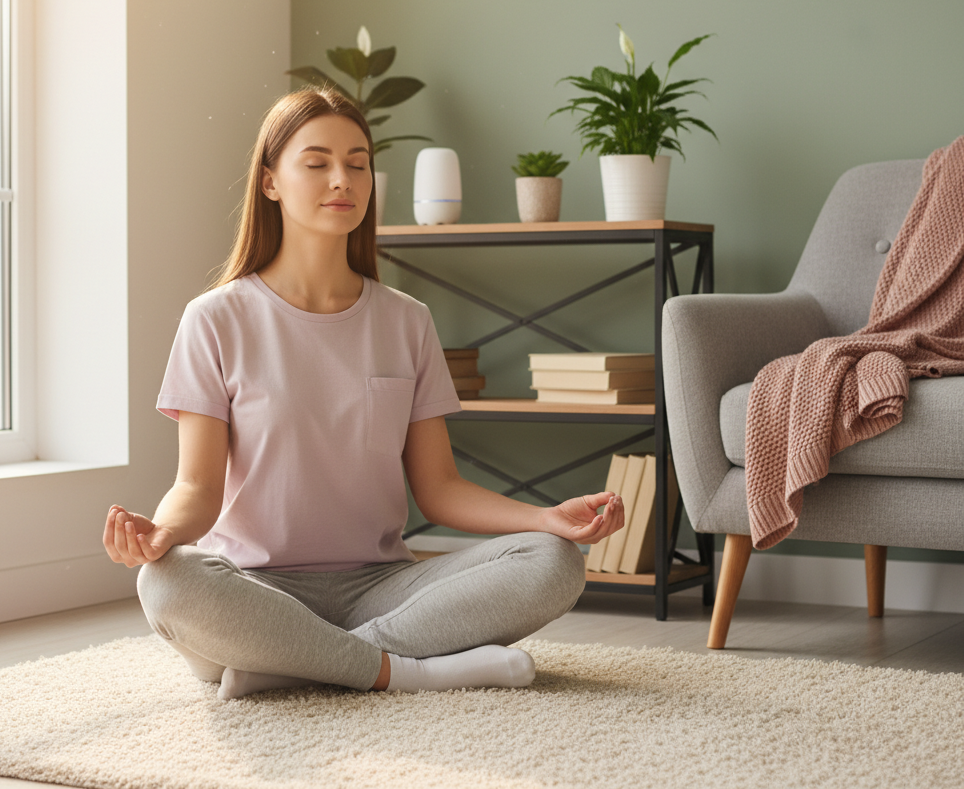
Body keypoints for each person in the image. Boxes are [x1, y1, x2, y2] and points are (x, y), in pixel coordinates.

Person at [103, 86, 625, 699]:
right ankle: (405, 670)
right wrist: (162, 534)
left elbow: (440, 488)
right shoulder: (214, 319)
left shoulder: (407, 320)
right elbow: (197, 487)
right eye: (317, 163)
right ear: (270, 182)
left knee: (553, 561)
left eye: (357, 163)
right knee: (165, 582)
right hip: (256, 587)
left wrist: (545, 519)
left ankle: (292, 663)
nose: (342, 180)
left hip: (381, 587)